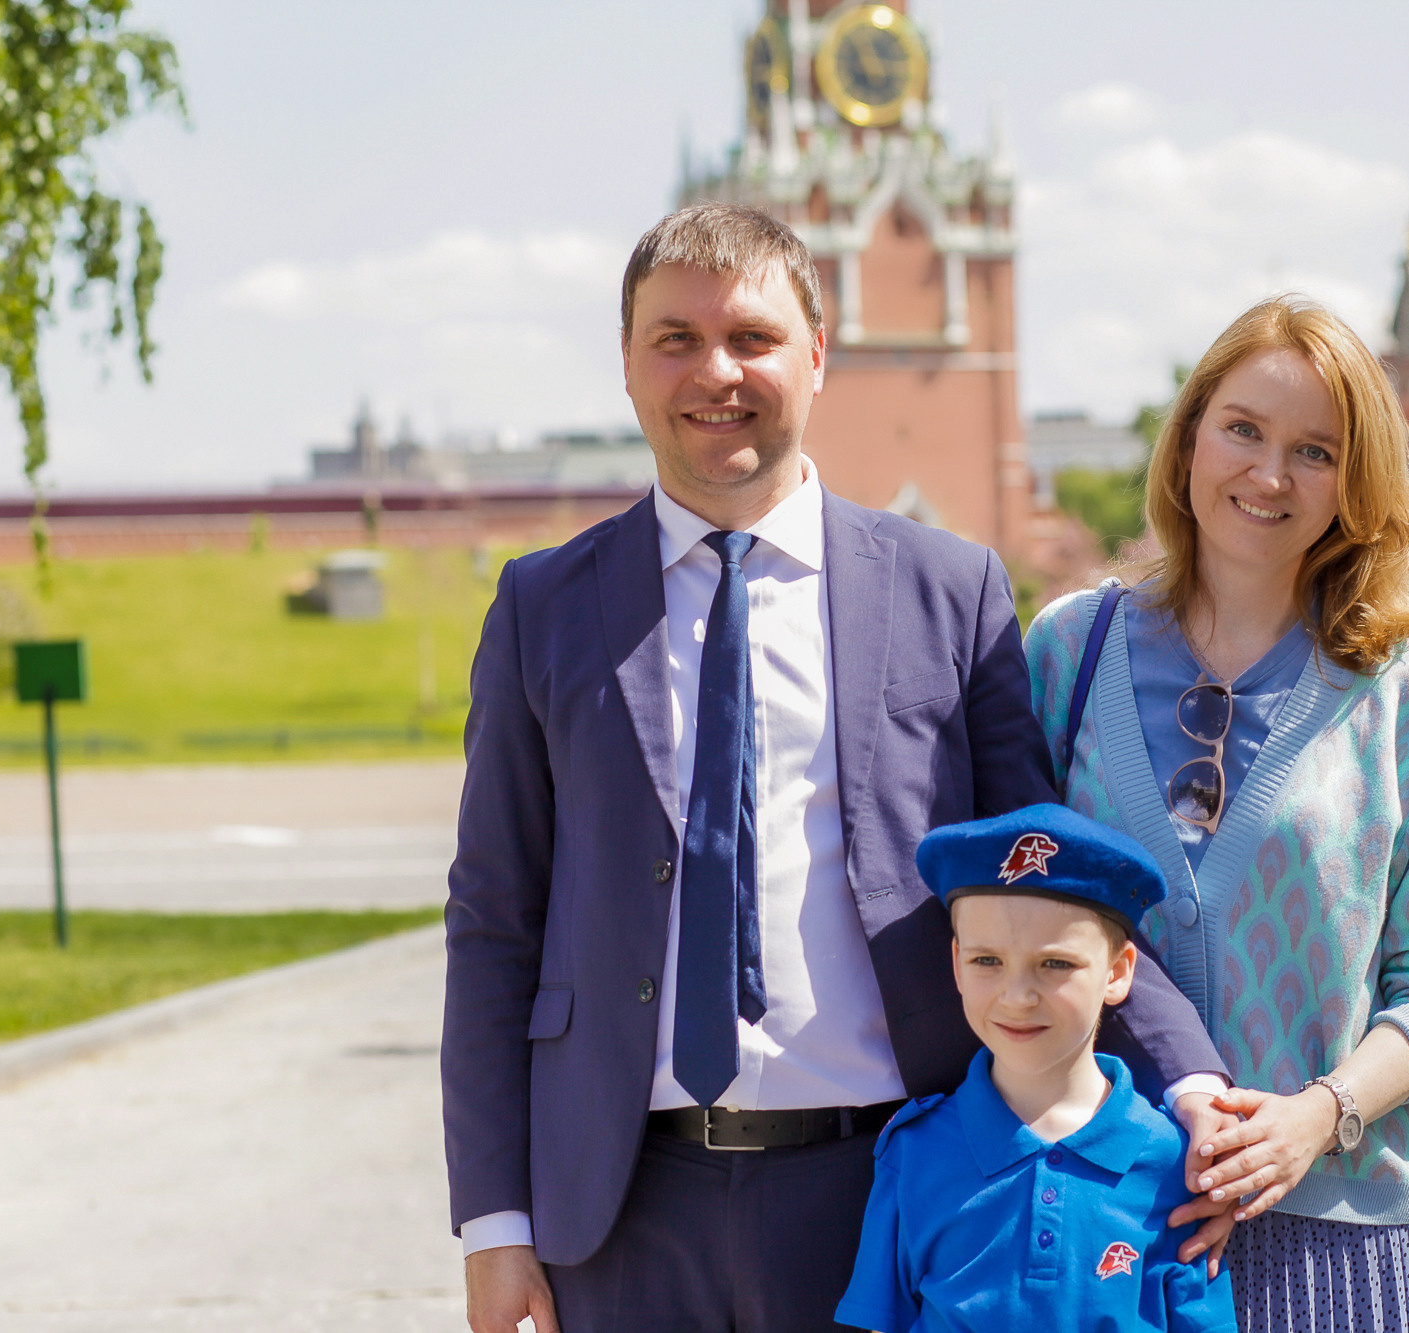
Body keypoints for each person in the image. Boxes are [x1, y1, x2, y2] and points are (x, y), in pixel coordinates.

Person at [441, 202, 1231, 1333]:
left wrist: (1188, 1075)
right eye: (675, 339)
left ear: (816, 354)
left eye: (752, 338)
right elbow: (493, 923)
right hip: (616, 1210)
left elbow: (1044, 868)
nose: (716, 371)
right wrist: (494, 1224)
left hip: (879, 1189)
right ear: (626, 365)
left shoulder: (946, 590)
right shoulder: (543, 606)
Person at [1024, 294, 1409, 1332]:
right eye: (1241, 428)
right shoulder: (1065, 653)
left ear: (1356, 484)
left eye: (1314, 451)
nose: (1267, 473)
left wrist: (1316, 1117)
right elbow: (1011, 915)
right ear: (1190, 434)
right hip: (1094, 1224)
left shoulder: (1406, 697)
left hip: (1333, 1238)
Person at [837, 804, 1238, 1333]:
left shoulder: (1172, 1163)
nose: (1018, 995)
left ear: (1117, 972)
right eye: (987, 961)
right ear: (956, 964)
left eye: (1055, 963)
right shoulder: (912, 1153)